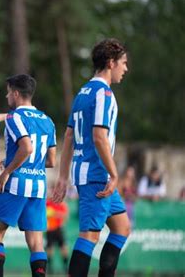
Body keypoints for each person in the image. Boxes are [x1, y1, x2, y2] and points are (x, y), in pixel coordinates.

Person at [52, 38, 131, 277]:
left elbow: (68, 136)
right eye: (123, 63)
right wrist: (115, 173)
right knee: (90, 234)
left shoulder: (83, 92)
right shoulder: (103, 94)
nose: (125, 69)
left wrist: (63, 177)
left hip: (90, 173)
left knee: (121, 229)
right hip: (98, 175)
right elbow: (99, 137)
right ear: (111, 63)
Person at [0, 74, 56, 277]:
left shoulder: (15, 117)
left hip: (16, 183)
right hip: (38, 186)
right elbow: (50, 161)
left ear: (16, 94)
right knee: (36, 242)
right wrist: (14, 160)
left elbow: (26, 148)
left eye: (8, 92)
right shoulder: (47, 120)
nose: (7, 96)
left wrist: (7, 171)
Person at [46, 197, 69, 273]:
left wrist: (54, 213)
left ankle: (65, 266)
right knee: (50, 248)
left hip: (58, 228)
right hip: (50, 229)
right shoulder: (48, 203)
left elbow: (65, 215)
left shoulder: (61, 203)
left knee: (63, 247)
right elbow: (44, 213)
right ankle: (50, 268)